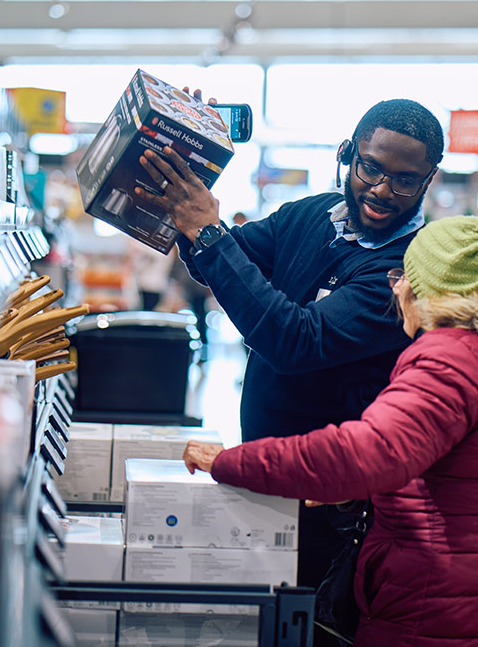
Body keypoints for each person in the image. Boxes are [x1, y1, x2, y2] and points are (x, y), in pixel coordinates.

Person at [182, 216, 478, 646]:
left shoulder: (452, 360)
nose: (397, 287)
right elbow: (468, 479)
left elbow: (365, 455)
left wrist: (233, 462)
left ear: (430, 293)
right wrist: (367, 492)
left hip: (436, 612)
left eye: (404, 276)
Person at [133, 99, 445, 610]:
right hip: (268, 472)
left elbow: (296, 342)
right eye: (371, 168)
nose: (382, 191)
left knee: (311, 621)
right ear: (348, 154)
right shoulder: (312, 215)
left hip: (333, 503)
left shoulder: (405, 272)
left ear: (428, 180)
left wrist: (207, 232)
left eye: (405, 181)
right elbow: (222, 260)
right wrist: (188, 171)